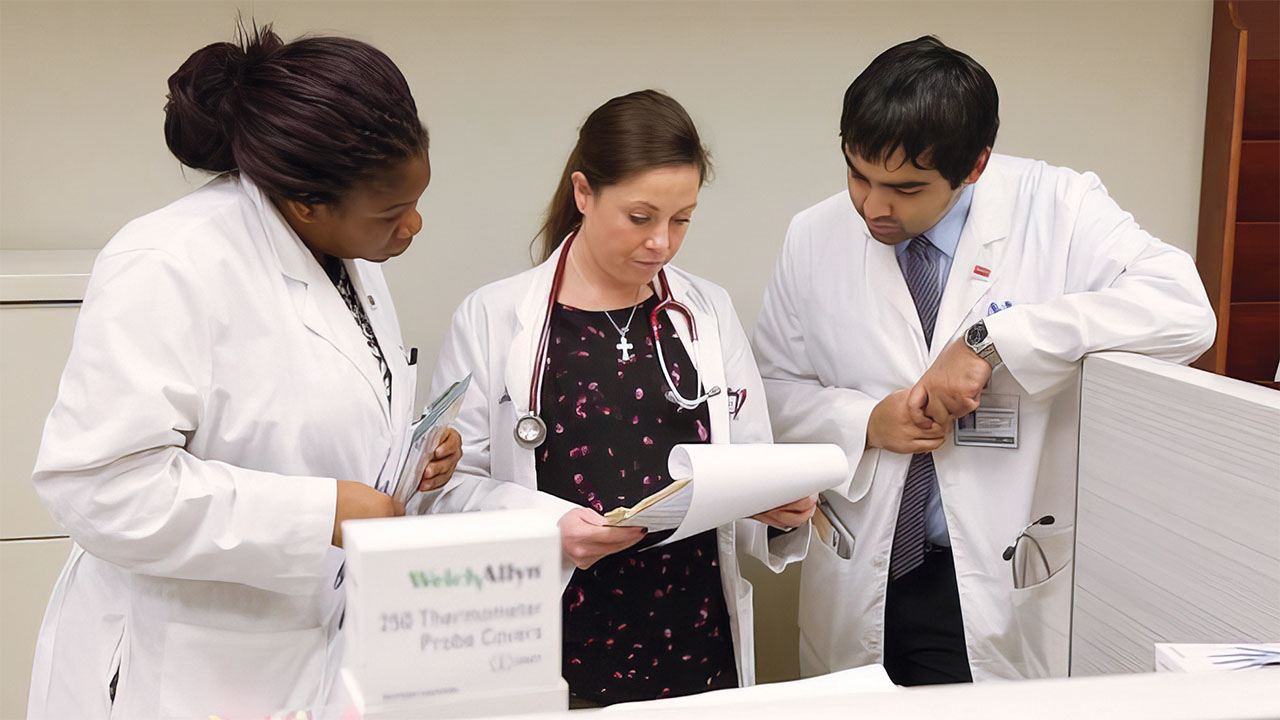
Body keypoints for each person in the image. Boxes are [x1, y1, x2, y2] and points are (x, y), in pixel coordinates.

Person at [27, 24, 461, 719]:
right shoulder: (169, 262)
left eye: (415, 201)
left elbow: (305, 411)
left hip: (313, 648)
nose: (413, 226)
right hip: (181, 669)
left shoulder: (347, 260)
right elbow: (99, 489)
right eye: (390, 213)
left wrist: (409, 452)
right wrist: (323, 513)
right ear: (305, 203)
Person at [753, 36, 1215, 685]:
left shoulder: (1059, 207)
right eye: (858, 174)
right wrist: (867, 421)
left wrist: (994, 341)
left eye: (905, 188)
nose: (873, 207)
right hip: (867, 566)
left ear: (975, 166)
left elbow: (1185, 312)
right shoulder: (814, 234)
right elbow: (769, 391)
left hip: (1001, 570)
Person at [423, 89, 816, 706]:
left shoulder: (706, 313)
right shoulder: (494, 317)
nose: (662, 241)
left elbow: (749, 457)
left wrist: (774, 506)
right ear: (584, 193)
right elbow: (446, 488)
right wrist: (549, 525)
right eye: (641, 218)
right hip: (557, 637)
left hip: (693, 636)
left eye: (681, 218)